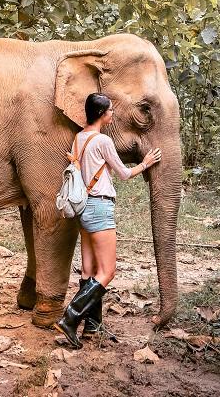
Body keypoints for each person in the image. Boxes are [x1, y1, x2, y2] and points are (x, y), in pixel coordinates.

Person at [54, 93, 162, 349]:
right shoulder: (102, 140)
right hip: (100, 206)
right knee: (108, 271)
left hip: (83, 208)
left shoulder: (79, 138)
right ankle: (70, 318)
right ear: (102, 114)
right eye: (111, 110)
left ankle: (92, 327)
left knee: (89, 271)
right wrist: (145, 163)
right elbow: (124, 173)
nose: (113, 114)